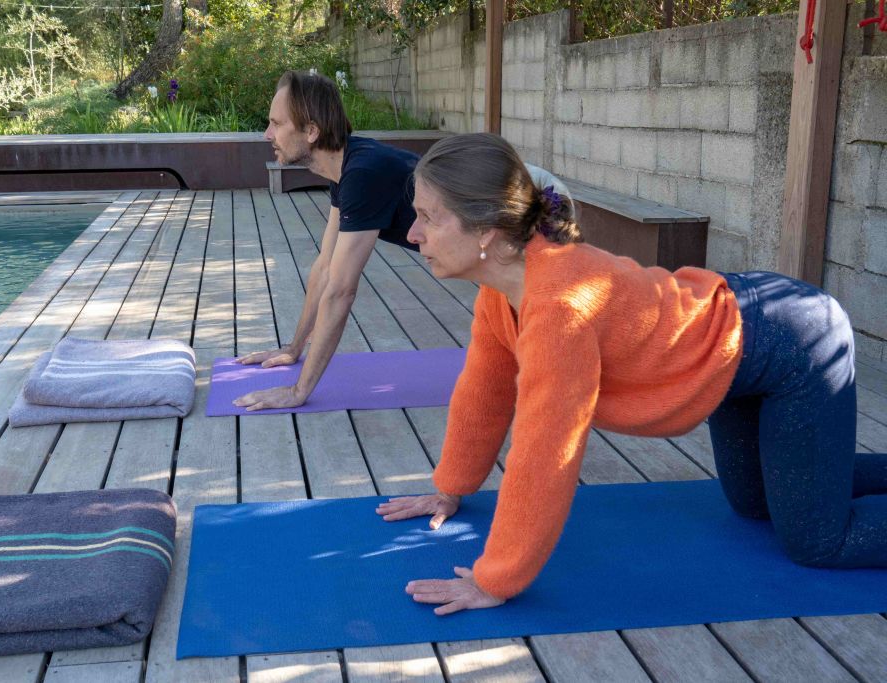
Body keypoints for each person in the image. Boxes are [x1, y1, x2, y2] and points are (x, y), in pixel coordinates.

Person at [377, 132, 887, 616]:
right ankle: (820, 469)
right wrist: (452, 487)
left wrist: (495, 579)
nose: (412, 233)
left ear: (486, 230)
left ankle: (822, 489)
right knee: (757, 504)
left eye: (428, 217)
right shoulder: (502, 290)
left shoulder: (559, 309)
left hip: (794, 343)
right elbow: (483, 390)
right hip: (731, 352)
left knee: (819, 541)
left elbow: (545, 453)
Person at [232, 70, 419, 411]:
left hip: (516, 240)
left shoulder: (363, 173)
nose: (267, 134)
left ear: (312, 131)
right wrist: (294, 348)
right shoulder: (345, 168)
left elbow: (341, 291)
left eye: (277, 123)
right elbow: (325, 267)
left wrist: (297, 391)